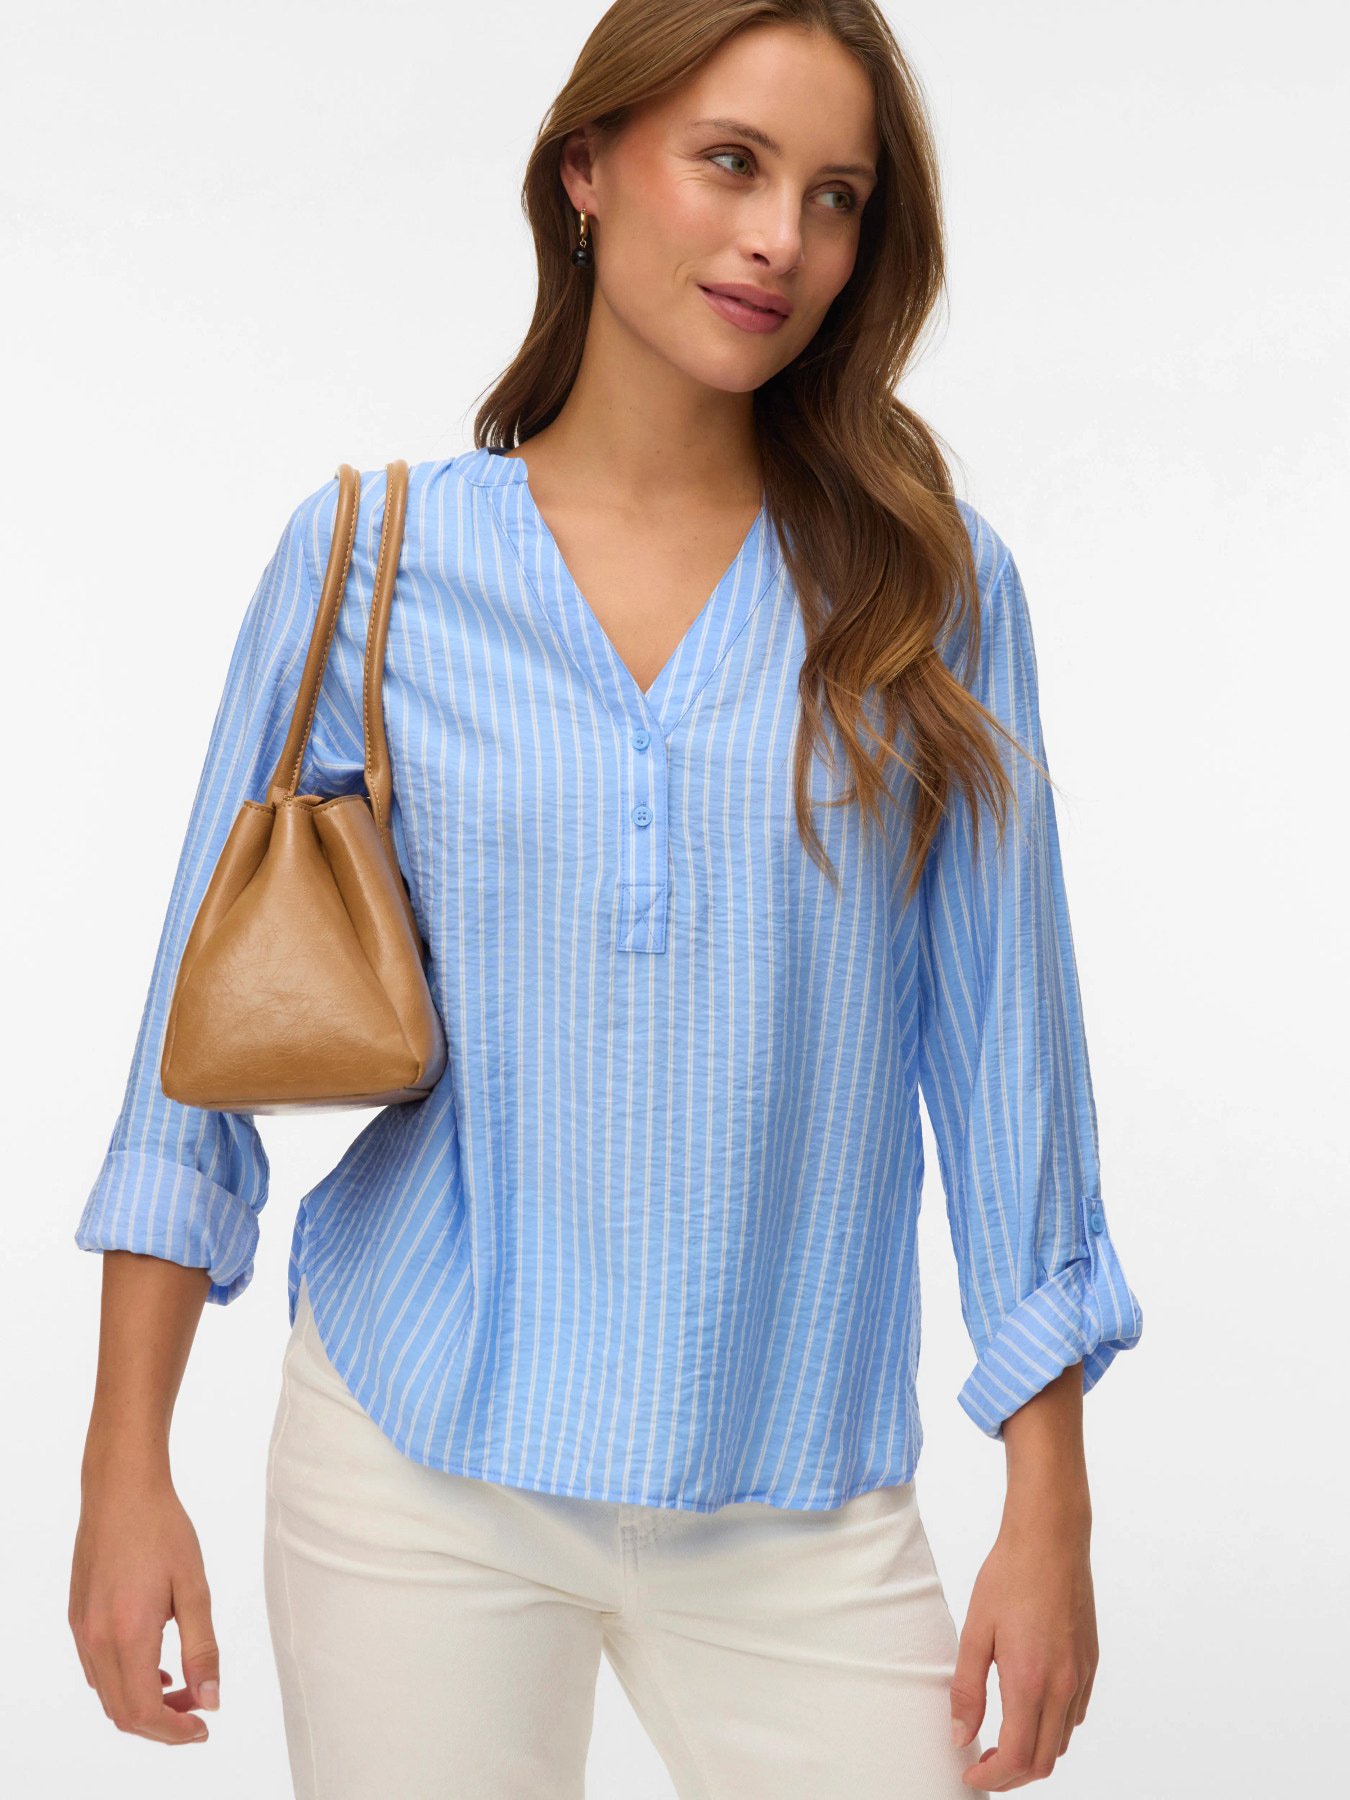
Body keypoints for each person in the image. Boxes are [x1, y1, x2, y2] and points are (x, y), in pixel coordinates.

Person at [68, 2, 1144, 1794]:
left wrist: (1050, 1508)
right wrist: (125, 1465)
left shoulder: (926, 593)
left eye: (834, 197)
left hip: (795, 1487)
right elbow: (189, 1056)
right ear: (586, 167)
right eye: (731, 163)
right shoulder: (373, 561)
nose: (778, 239)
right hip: (413, 1456)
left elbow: (1009, 1062)